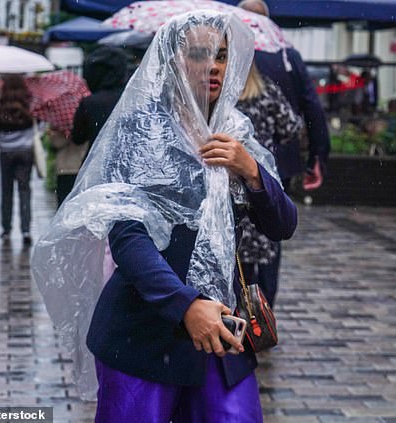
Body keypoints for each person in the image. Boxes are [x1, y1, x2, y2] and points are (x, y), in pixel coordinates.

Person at [31, 10, 297, 421]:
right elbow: (128, 237)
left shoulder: (236, 133)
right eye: (198, 54)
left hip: (222, 337)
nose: (213, 66)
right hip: (144, 334)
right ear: (172, 59)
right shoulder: (141, 130)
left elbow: (282, 224)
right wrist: (185, 305)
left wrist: (251, 170)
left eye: (223, 55)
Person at [238, 0, 330, 191]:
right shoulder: (287, 56)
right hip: (280, 160)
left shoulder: (229, 53)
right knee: (275, 215)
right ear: (268, 22)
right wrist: (317, 156)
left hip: (233, 159)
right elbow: (312, 106)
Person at [236, 63, 303, 306]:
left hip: (233, 180)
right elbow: (291, 127)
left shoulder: (223, 97)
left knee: (238, 254)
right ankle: (263, 317)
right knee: (268, 245)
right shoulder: (267, 92)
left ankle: (240, 314)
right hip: (261, 178)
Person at [0, 75, 34, 246]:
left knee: (6, 190)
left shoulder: (1, 104)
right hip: (25, 150)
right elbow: (34, 125)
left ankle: (6, 229)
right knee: (24, 190)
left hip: (6, 152)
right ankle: (25, 230)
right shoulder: (28, 102)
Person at [70, 46, 128, 161]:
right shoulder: (133, 98)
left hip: (96, 165)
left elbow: (78, 138)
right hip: (128, 164)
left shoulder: (90, 103)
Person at [48, 127, 88, 206]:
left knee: (63, 202)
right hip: (79, 166)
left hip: (65, 169)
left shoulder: (59, 124)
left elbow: (56, 144)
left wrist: (54, 135)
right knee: (77, 201)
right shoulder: (83, 125)